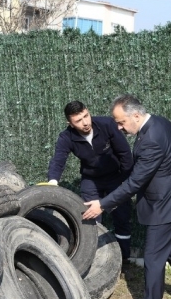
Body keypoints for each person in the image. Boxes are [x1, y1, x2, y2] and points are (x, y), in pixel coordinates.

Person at [83, 94, 171, 299]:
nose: (119, 128)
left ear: (136, 115)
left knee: (152, 259)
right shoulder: (160, 122)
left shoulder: (152, 138)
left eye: (121, 122)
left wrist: (102, 203)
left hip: (167, 207)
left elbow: (135, 183)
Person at [47, 100, 134, 259]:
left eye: (86, 116)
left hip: (115, 177)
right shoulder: (66, 137)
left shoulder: (107, 124)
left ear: (88, 112)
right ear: (70, 123)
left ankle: (125, 258)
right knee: (90, 218)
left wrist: (125, 179)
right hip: (91, 179)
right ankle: (95, 258)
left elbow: (125, 155)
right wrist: (53, 181)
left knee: (122, 216)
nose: (85, 122)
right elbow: (58, 160)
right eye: (78, 120)